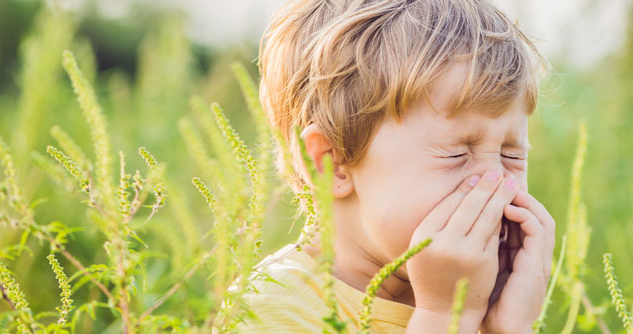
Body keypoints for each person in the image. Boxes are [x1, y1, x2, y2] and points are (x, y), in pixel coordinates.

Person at [235, 0, 556, 332]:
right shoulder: (270, 310)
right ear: (332, 165)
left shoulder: (484, 302)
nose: (499, 184)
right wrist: (446, 317)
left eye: (512, 154)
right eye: (456, 153)